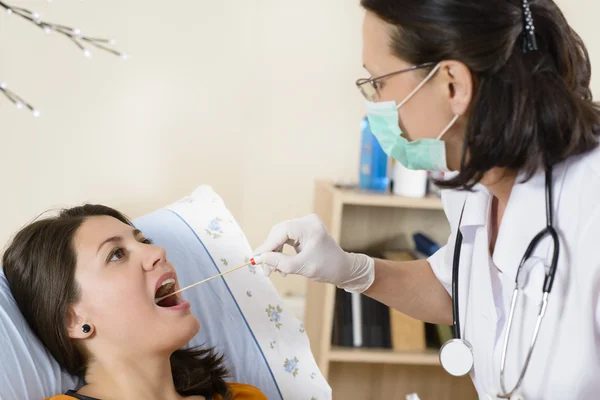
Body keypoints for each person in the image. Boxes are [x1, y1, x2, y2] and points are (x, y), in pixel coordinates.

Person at [253, 1, 600, 399]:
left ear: (453, 85)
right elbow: (462, 292)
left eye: (378, 82)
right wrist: (352, 270)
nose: (374, 103)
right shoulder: (472, 181)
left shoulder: (591, 207)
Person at [2, 204, 267, 400]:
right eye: (116, 254)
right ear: (73, 319)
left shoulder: (244, 397)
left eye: (145, 241)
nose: (157, 251)